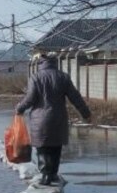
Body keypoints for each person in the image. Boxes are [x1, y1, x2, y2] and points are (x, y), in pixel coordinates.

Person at [15, 54, 92, 185]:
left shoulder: (36, 77)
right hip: (58, 118)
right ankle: (53, 174)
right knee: (56, 147)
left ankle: (46, 174)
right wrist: (85, 113)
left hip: (40, 120)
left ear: (41, 63)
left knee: (42, 148)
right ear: (55, 63)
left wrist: (19, 109)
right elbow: (75, 98)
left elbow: (30, 99)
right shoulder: (63, 77)